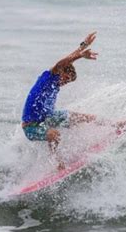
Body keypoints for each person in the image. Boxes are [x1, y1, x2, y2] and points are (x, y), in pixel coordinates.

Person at [21, 31, 100, 169]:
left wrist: (84, 45)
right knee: (54, 135)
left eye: (68, 82)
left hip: (48, 118)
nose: (65, 83)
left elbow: (68, 60)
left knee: (83, 117)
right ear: (61, 72)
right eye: (66, 79)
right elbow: (63, 61)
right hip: (31, 126)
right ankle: (57, 163)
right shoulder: (48, 77)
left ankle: (114, 125)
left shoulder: (56, 85)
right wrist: (80, 55)